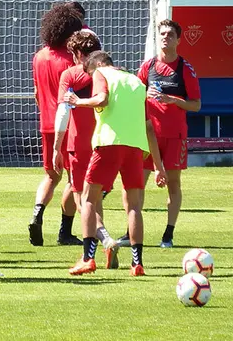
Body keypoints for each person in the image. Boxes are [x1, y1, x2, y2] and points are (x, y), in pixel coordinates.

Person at [67, 51, 167, 276]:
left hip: (109, 143)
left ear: (98, 65)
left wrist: (78, 101)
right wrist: (159, 167)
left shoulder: (101, 73)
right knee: (133, 206)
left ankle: (87, 258)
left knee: (88, 199)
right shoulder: (136, 81)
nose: (92, 78)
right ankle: (137, 263)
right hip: (135, 148)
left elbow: (102, 99)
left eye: (91, 73)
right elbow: (149, 127)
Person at [118, 19, 200, 249]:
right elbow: (134, 94)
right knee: (136, 183)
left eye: (170, 35)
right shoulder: (148, 66)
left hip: (174, 135)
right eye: (162, 34)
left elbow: (196, 105)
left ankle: (168, 234)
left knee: (173, 183)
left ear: (178, 40)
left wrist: (172, 100)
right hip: (146, 135)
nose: (165, 37)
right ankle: (129, 232)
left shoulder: (185, 69)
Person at [52, 31, 122, 269]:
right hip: (108, 141)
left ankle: (104, 241)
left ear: (78, 54)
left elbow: (63, 112)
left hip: (79, 144)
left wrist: (56, 148)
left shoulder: (71, 74)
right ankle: (104, 245)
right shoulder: (114, 74)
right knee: (95, 200)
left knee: (83, 202)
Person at [28, 3, 83, 247]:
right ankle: (65, 231)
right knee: (74, 179)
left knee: (51, 176)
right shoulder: (72, 60)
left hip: (47, 124)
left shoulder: (39, 56)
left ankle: (37, 214)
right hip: (70, 126)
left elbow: (38, 94)